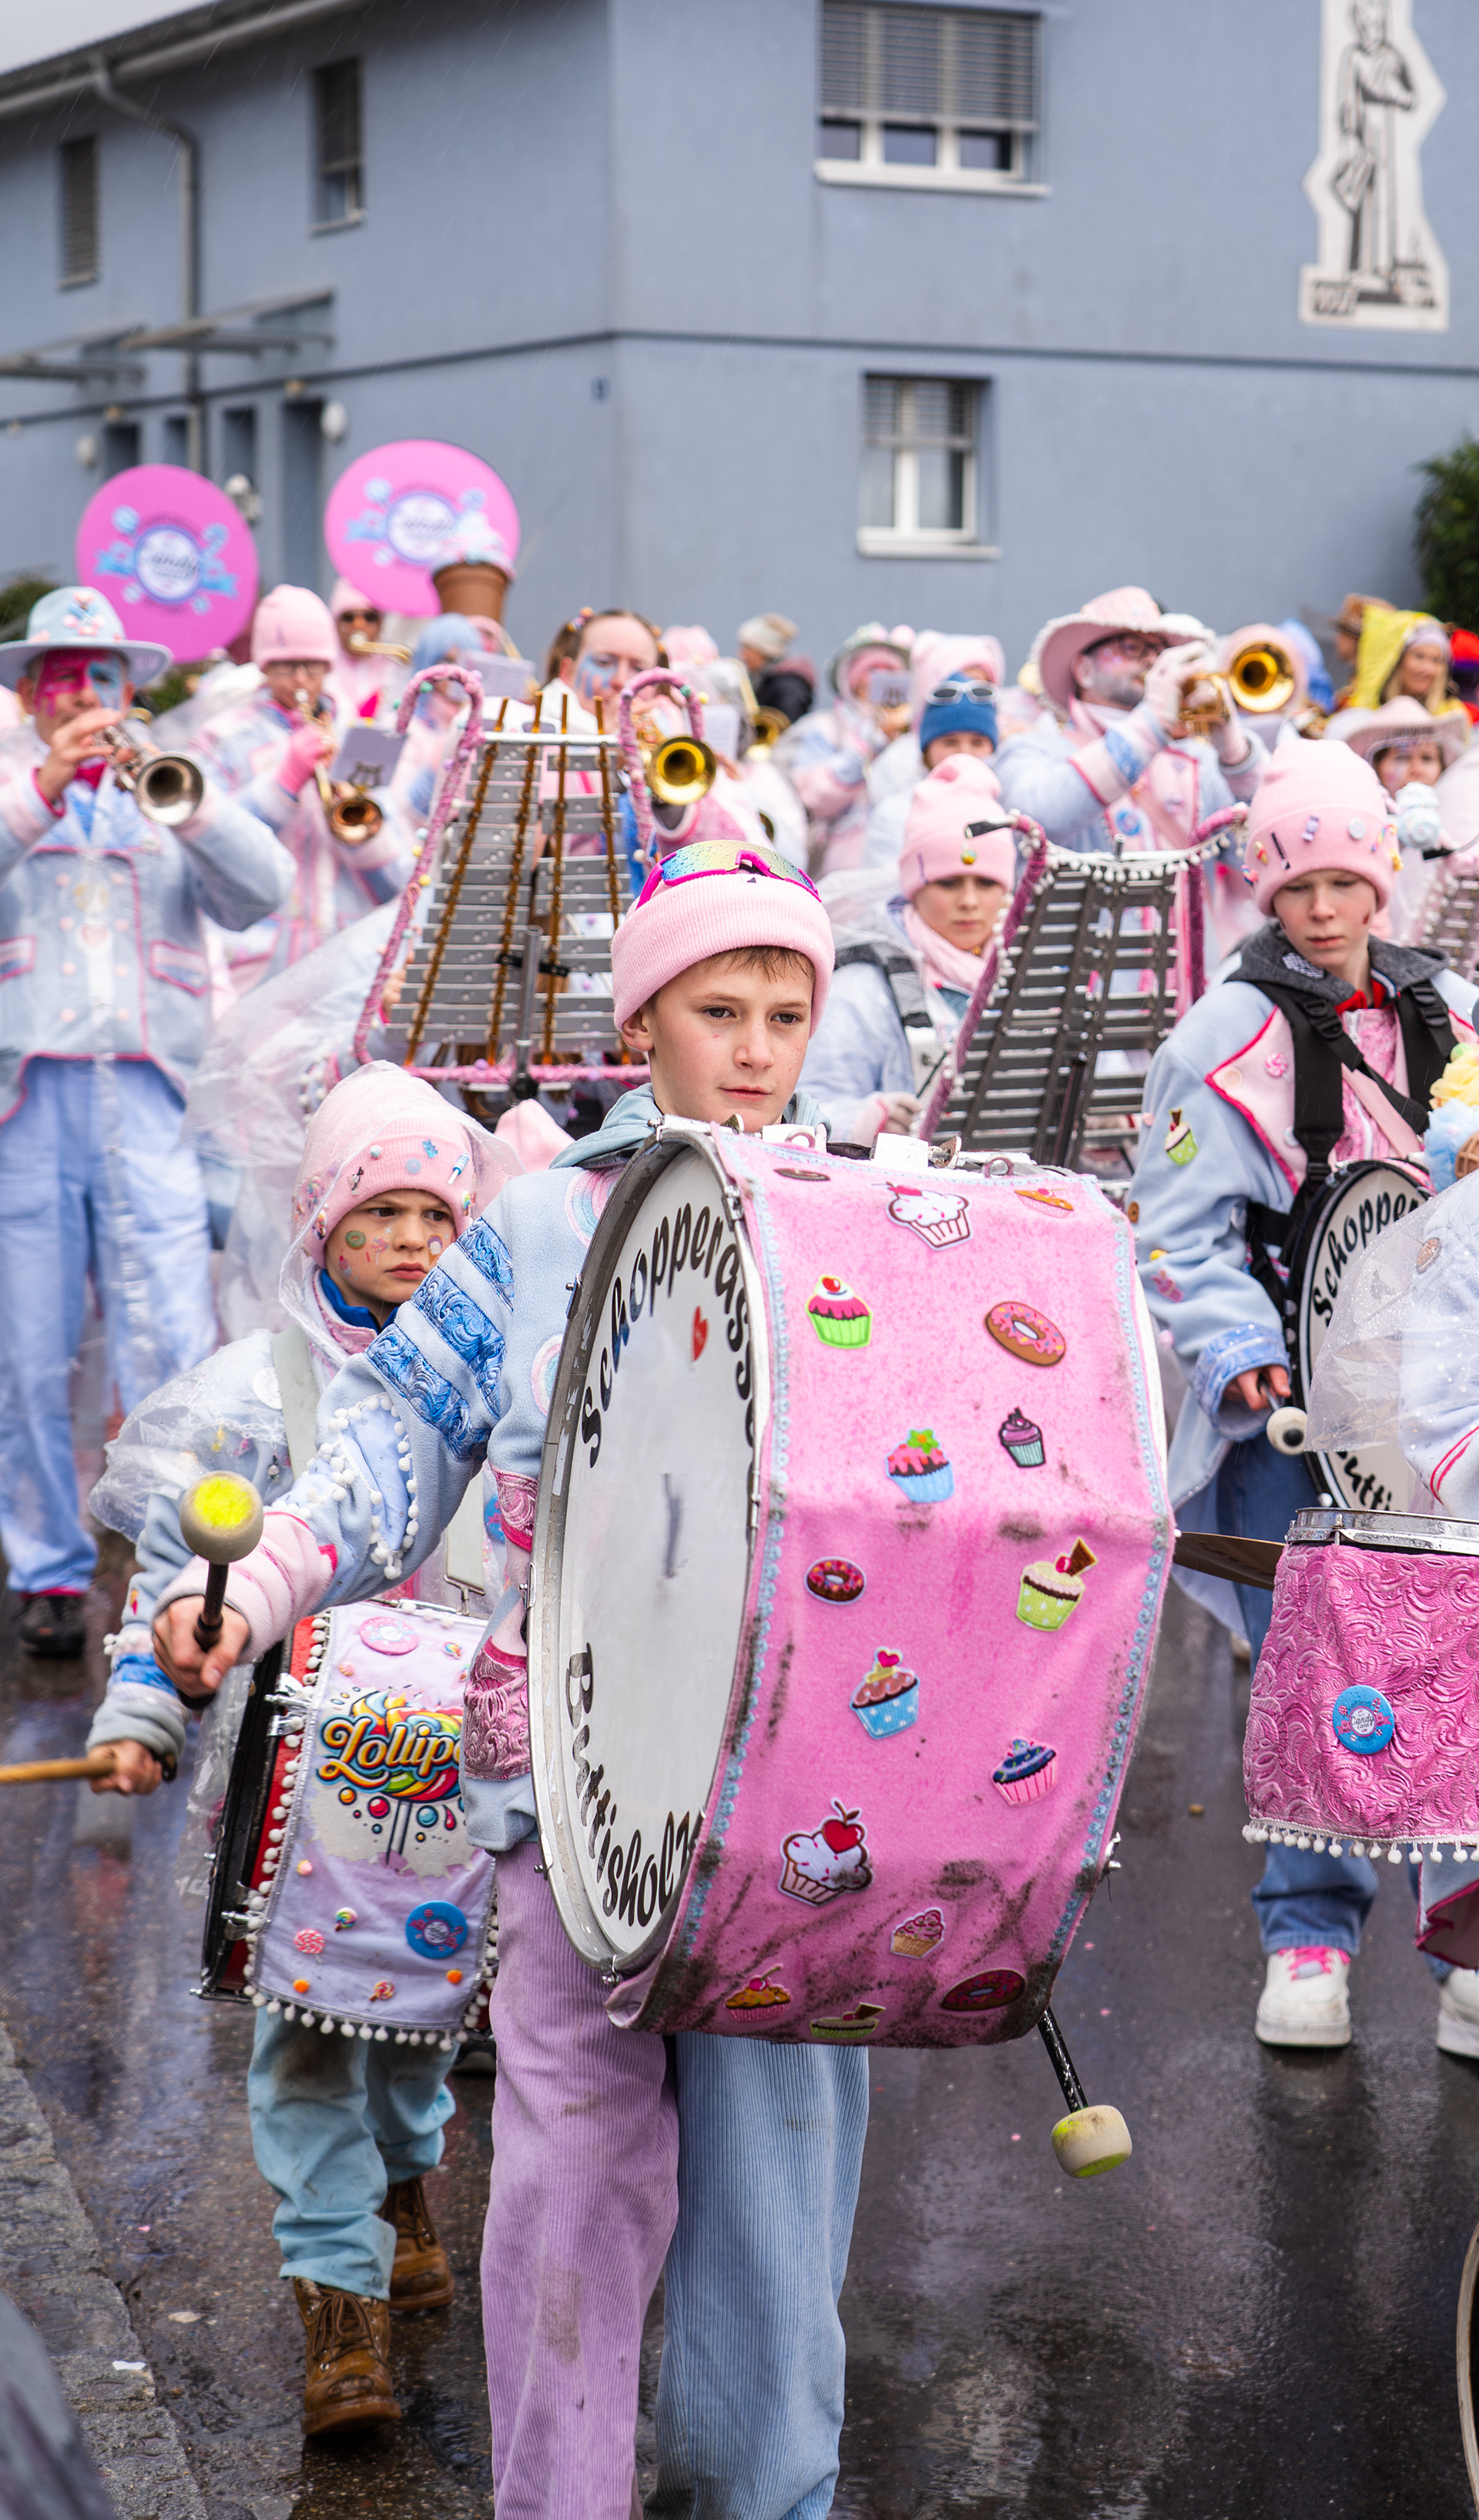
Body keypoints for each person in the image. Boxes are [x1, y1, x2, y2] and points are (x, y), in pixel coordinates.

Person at [149, 837, 867, 2520]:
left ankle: (769, 2501)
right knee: (565, 2187)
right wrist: (247, 1588)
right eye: (718, 1008)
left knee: (778, 2208)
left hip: (788, 1815)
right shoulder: (535, 1228)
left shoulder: (854, 1218)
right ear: (645, 1023)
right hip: (570, 1791)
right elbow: (385, 1448)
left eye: (785, 1013)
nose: (756, 1047)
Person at [83, 1064, 516, 2434]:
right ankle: (341, 2307)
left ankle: (403, 2180)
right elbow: (178, 1582)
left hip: (448, 1782)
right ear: (321, 1222)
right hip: (294, 1802)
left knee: (423, 2019)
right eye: (378, 1212)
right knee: (309, 2040)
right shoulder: (248, 1398)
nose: (411, 1241)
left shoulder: (502, 1387)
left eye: (439, 1217)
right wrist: (144, 1712)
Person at [1127, 740, 1479, 2048]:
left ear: (1382, 875)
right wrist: (1235, 1348)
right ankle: (1307, 1935)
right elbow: (1180, 1227)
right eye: (1298, 884)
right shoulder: (1220, 1038)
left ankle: (1467, 1939)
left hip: (1445, 1397)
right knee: (1316, 1662)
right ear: (1265, 889)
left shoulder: (1455, 1011)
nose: (1324, 907)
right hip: (1295, 1404)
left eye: (1345, 879)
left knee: (1462, 1658)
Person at [0, 585, 290, 1656]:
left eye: (104, 679)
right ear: (31, 695)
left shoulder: (171, 784)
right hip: (27, 1101)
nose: (86, 698)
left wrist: (191, 805)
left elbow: (264, 890)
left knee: (171, 1338)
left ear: (133, 691)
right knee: (29, 1351)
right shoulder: (10, 784)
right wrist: (40, 789)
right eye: (63, 679)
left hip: (152, 1097)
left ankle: (175, 1563)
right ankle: (47, 1568)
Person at [993, 585, 1268, 960]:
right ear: (1084, 670)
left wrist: (1236, 754)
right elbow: (1042, 817)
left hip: (1188, 988)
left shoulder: (1197, 760)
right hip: (1079, 987)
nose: (1152, 661)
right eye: (1131, 648)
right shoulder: (1034, 749)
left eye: (1158, 650)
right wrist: (1151, 724)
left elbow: (1259, 857)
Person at [189, 586, 414, 988]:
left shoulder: (363, 737)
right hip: (256, 966)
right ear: (263, 667)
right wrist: (282, 785)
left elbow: (395, 882)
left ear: (329, 665)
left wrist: (360, 829)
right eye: (285, 667)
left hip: (345, 961)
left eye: (312, 666)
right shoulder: (223, 738)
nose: (300, 680)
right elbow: (210, 851)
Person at [803, 753, 1012, 1145]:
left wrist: (1107, 1125)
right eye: (948, 883)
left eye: (986, 883)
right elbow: (805, 1107)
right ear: (915, 887)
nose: (969, 902)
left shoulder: (1036, 972)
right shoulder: (863, 987)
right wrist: (865, 1123)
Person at [779, 620, 913, 874]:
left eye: (890, 671)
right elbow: (815, 798)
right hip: (839, 864)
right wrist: (872, 743)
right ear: (852, 678)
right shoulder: (826, 727)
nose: (882, 679)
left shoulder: (915, 729)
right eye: (872, 670)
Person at [862, 669, 1001, 871]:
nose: (964, 753)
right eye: (950, 742)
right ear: (926, 751)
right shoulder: (895, 815)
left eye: (977, 742)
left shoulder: (1009, 811)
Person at [1336, 608, 1467, 722]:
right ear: (1397, 660)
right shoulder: (1356, 711)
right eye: (1419, 656)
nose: (1427, 669)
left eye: (1436, 660)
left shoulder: (1452, 715)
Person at [324, 578, 404, 723]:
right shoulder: (324, 669)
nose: (358, 625)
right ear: (335, 624)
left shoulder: (395, 668)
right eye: (348, 618)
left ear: (380, 624)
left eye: (369, 618)